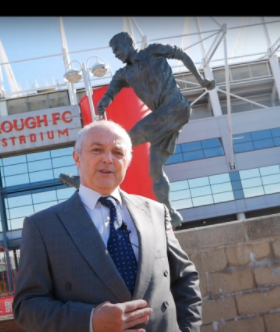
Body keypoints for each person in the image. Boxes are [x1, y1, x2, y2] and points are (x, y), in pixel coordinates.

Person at [13, 120, 202, 332]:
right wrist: (89, 322)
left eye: (118, 152)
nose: (108, 159)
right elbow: (27, 306)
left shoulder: (156, 212)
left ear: (128, 161)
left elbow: (185, 279)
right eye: (97, 150)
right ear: (77, 158)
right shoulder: (42, 226)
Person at [60, 32, 216, 229]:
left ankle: (87, 180)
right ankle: (171, 213)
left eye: (117, 49)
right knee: (155, 169)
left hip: (175, 106)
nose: (115, 54)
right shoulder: (124, 74)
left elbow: (181, 55)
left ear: (128, 44)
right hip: (166, 117)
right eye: (113, 51)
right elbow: (111, 91)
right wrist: (103, 102)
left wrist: (201, 80)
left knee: (125, 141)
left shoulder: (153, 51)